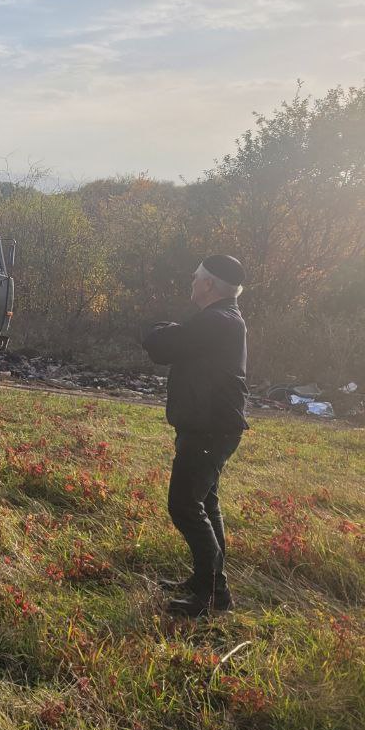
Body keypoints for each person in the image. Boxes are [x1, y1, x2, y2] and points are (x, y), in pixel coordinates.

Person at [141, 254, 249, 616]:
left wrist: (155, 329)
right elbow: (178, 341)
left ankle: (210, 595)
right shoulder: (222, 320)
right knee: (206, 503)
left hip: (209, 430)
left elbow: (162, 347)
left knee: (185, 506)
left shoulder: (218, 321)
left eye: (196, 275)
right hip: (210, 428)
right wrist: (169, 331)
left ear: (208, 285)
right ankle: (212, 586)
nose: (191, 278)